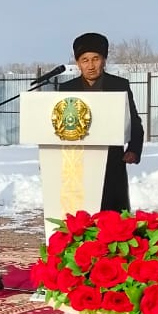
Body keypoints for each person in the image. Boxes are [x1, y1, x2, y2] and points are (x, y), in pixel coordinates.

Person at [58, 32, 145, 211]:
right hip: (77, 163)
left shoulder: (119, 86)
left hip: (112, 162)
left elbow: (134, 122)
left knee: (113, 217)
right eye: (85, 60)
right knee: (81, 215)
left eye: (95, 59)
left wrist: (133, 150)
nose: (90, 66)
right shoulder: (67, 89)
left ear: (104, 60)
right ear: (77, 63)